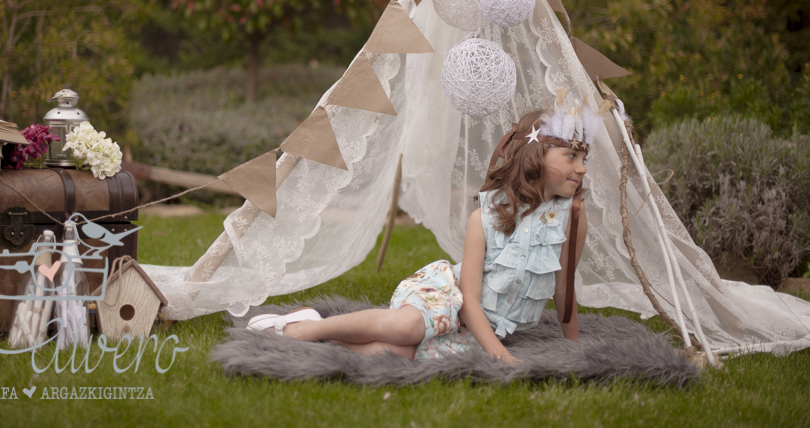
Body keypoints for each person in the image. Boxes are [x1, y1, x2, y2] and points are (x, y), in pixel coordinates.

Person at [247, 104, 592, 366]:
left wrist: (574, 349)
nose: (581, 168)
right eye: (571, 156)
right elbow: (469, 299)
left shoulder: (572, 218)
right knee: (408, 329)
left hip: (473, 328)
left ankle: (309, 342)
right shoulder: (485, 215)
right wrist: (500, 356)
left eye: (584, 158)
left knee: (398, 352)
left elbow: (564, 288)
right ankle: (308, 328)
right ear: (535, 156)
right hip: (447, 296)